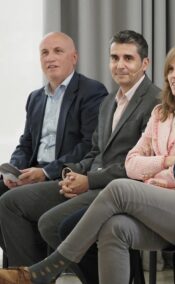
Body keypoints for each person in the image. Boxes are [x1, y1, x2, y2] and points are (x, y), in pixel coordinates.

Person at [0, 41, 175, 284]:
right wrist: (165, 161)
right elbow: (132, 162)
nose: (174, 75)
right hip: (141, 191)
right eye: (171, 69)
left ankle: (39, 273)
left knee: (114, 191)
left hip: (156, 195)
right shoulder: (158, 113)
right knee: (113, 226)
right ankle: (33, 275)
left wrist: (154, 169)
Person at [0, 30, 160, 269]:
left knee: (48, 222)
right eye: (115, 58)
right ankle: (26, 273)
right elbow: (94, 151)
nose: (120, 65)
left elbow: (142, 163)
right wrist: (70, 175)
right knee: (9, 201)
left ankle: (40, 274)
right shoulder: (109, 102)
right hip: (84, 178)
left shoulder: (155, 101)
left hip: (118, 187)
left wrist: (85, 179)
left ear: (145, 63)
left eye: (128, 58)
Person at [0, 32, 107, 194]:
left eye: (58, 51)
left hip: (63, 175)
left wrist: (45, 172)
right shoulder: (35, 98)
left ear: (74, 58)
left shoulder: (92, 91)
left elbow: (89, 145)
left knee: (10, 201)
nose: (50, 58)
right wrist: (14, 170)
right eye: (44, 52)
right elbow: (26, 143)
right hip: (32, 171)